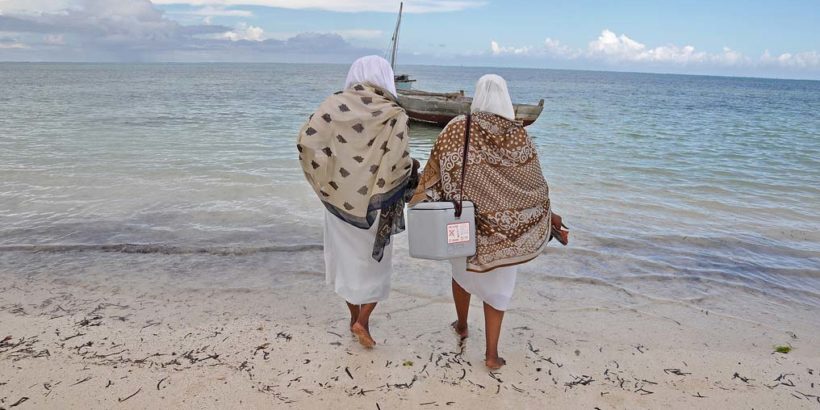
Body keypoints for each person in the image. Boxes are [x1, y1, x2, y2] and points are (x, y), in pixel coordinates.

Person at [410, 74, 567, 369]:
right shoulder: (519, 134)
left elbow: (436, 168)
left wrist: (424, 197)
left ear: (478, 96)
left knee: (460, 273)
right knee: (498, 290)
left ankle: (461, 324)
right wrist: (548, 214)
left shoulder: (458, 127)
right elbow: (533, 185)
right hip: (508, 234)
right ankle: (492, 354)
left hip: (464, 224)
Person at [297, 56, 418, 348]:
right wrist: (406, 178)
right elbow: (399, 162)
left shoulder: (334, 105)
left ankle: (354, 318)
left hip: (340, 201)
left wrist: (326, 181)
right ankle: (363, 321)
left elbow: (307, 143)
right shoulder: (393, 112)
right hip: (378, 203)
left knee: (346, 262)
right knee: (375, 265)